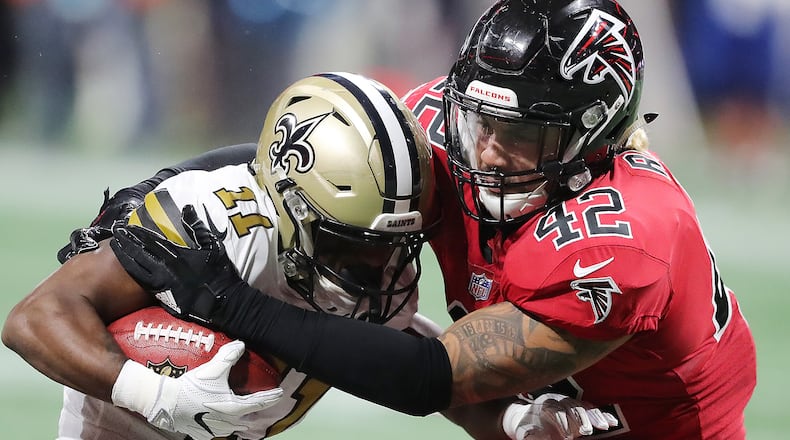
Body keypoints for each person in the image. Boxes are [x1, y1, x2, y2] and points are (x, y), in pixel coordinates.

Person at [109, 1, 757, 439]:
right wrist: (165, 182)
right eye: (480, 121)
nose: (487, 151)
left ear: (595, 134)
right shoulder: (454, 130)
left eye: (522, 134)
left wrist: (227, 304)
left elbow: (430, 377)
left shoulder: (629, 242)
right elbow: (317, 146)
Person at [2, 72, 441, 440]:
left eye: (388, 245)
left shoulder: (385, 273)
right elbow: (34, 318)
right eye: (350, 242)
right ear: (293, 205)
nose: (374, 268)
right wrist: (155, 396)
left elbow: (427, 370)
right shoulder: (212, 221)